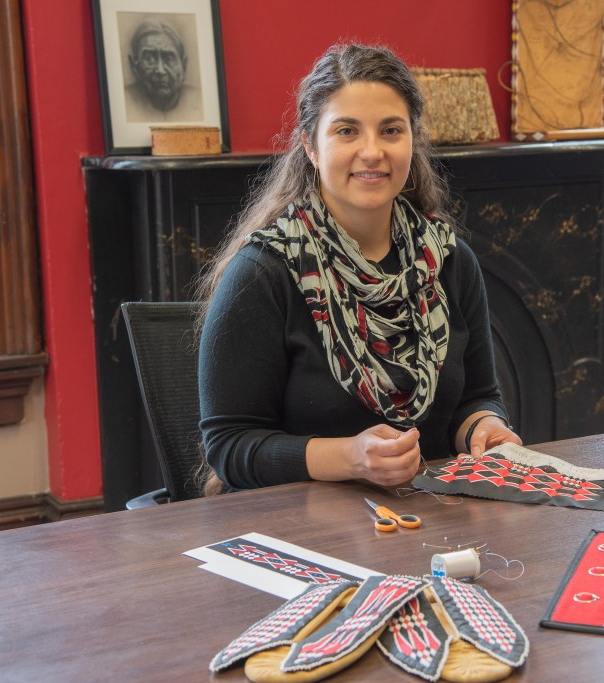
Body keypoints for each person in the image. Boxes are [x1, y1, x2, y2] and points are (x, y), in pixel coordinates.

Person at [196, 44, 521, 491]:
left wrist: (484, 428)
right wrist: (350, 457)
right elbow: (230, 446)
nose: (372, 151)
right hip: (299, 528)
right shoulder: (261, 273)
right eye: (347, 131)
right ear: (311, 146)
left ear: (413, 140)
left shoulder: (450, 260)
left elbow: (477, 398)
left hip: (429, 514)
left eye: (390, 130)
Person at [124, 18, 203, 122]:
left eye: (169, 59)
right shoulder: (124, 101)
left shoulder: (200, 100)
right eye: (149, 59)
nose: (160, 70)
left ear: (184, 66)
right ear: (134, 67)